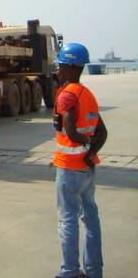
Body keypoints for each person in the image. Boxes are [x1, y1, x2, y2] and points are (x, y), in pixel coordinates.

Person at [53, 42, 107, 278]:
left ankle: (70, 271)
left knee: (68, 220)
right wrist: (90, 154)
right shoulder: (89, 96)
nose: (58, 71)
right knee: (91, 219)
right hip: (87, 168)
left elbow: (72, 132)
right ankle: (94, 271)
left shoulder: (67, 95)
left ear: (72, 68)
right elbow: (103, 133)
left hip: (69, 169)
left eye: (61, 66)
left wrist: (81, 146)